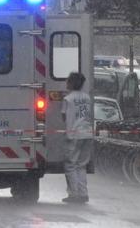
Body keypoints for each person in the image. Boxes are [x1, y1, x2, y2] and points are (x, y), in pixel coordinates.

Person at [61, 72, 94, 203]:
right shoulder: (87, 97)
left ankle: (73, 194)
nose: (66, 83)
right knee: (81, 165)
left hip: (74, 134)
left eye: (68, 81)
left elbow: (64, 116)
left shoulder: (68, 99)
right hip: (87, 132)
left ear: (71, 83)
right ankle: (83, 193)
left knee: (70, 165)